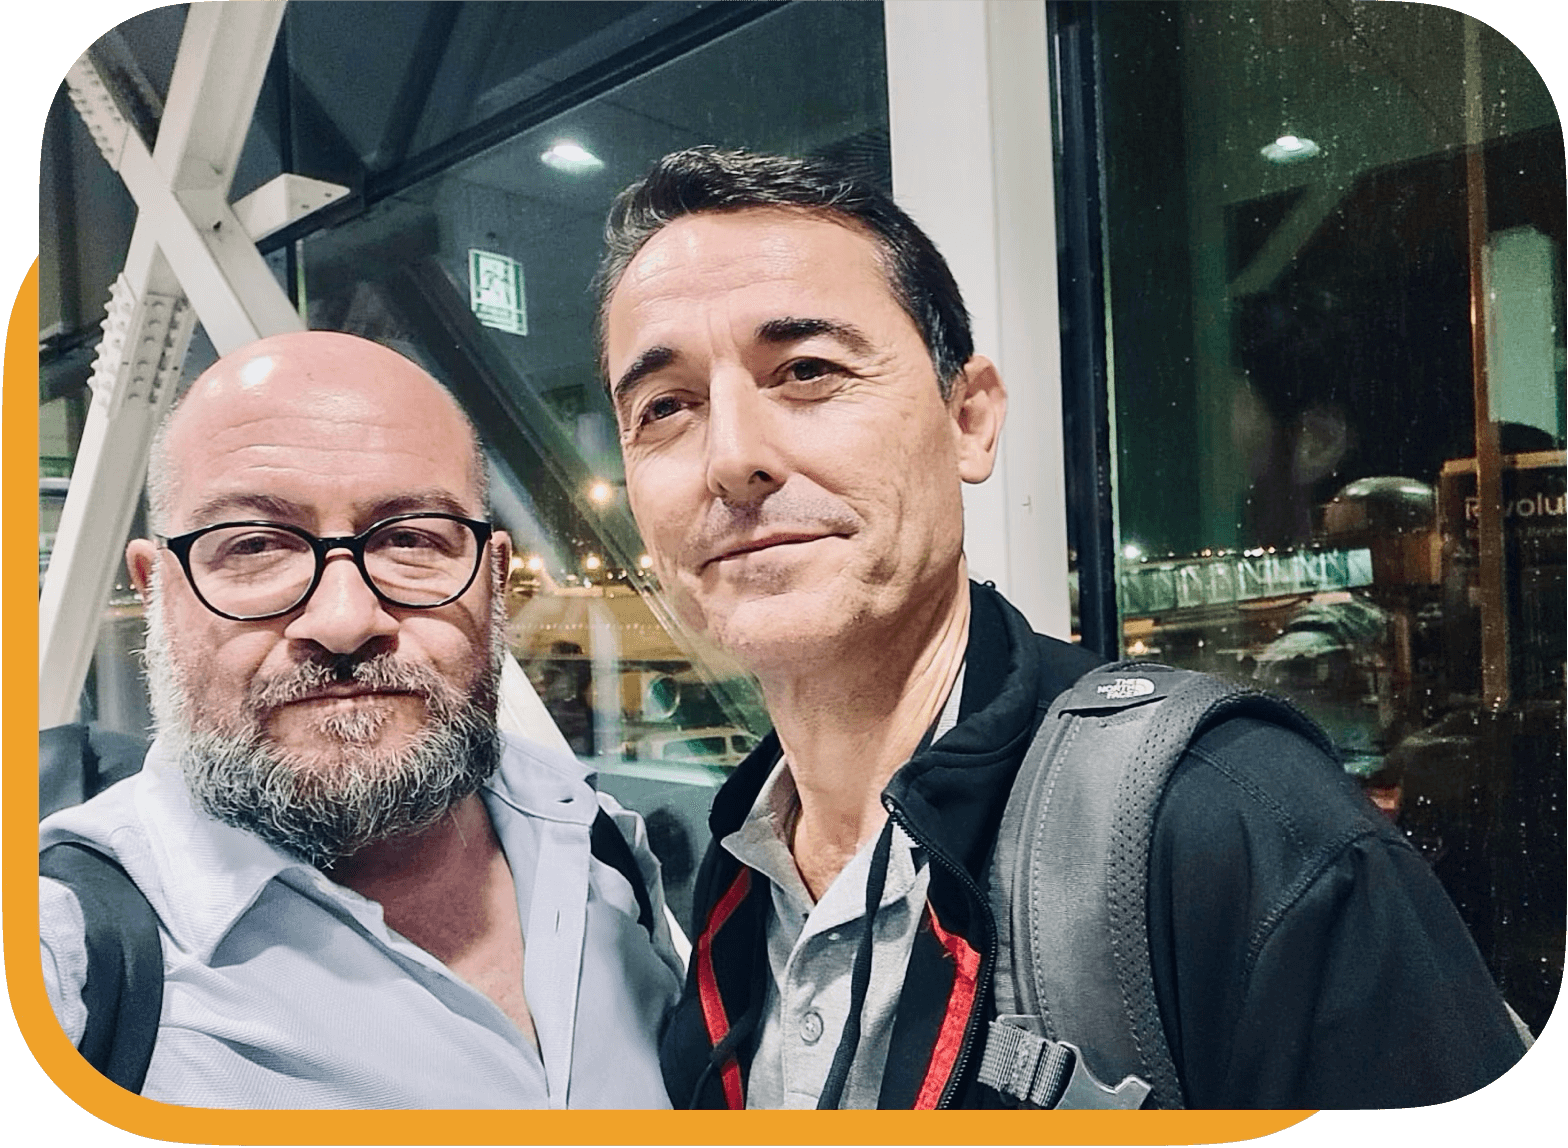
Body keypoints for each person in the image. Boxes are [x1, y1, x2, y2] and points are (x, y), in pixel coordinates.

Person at [594, 147, 1529, 1109]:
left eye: (806, 370)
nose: (731, 456)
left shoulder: (1228, 830)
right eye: (666, 407)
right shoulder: (731, 883)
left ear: (969, 419)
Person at [39, 331, 682, 1107]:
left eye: (410, 540)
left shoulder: (599, 842)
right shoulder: (77, 956)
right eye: (255, 545)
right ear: (157, 592)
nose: (344, 621)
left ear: (493, 578)